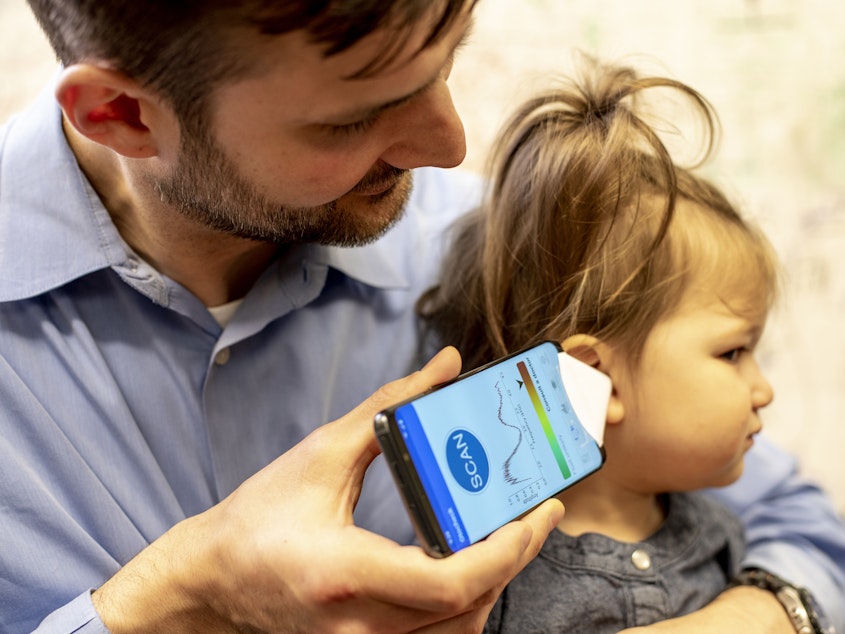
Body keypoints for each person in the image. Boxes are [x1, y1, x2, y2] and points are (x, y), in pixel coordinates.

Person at [0, 1, 842, 632]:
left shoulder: (489, 247)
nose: (448, 144)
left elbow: (795, 525)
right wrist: (183, 594)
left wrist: (763, 614)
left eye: (444, 67)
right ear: (122, 114)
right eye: (354, 116)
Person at [417, 57, 801, 632]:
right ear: (596, 378)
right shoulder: (493, 586)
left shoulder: (726, 538)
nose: (763, 390)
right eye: (732, 353)